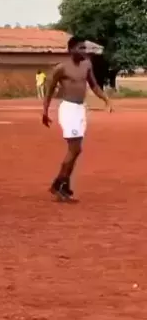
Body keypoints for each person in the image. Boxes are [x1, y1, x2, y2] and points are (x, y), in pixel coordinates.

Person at [42, 36, 112, 200]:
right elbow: (50, 90)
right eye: (80, 48)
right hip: (68, 109)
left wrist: (106, 99)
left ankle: (62, 184)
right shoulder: (61, 68)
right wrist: (45, 111)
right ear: (71, 49)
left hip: (81, 109)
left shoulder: (87, 65)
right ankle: (59, 184)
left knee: (77, 149)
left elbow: (94, 85)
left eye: (84, 48)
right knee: (74, 149)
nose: (84, 51)